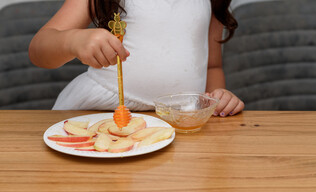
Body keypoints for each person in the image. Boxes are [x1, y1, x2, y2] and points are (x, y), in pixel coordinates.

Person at [29, 0, 245, 117]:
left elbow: (212, 66)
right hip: (99, 112)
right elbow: (39, 49)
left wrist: (218, 101)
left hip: (179, 121)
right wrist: (72, 41)